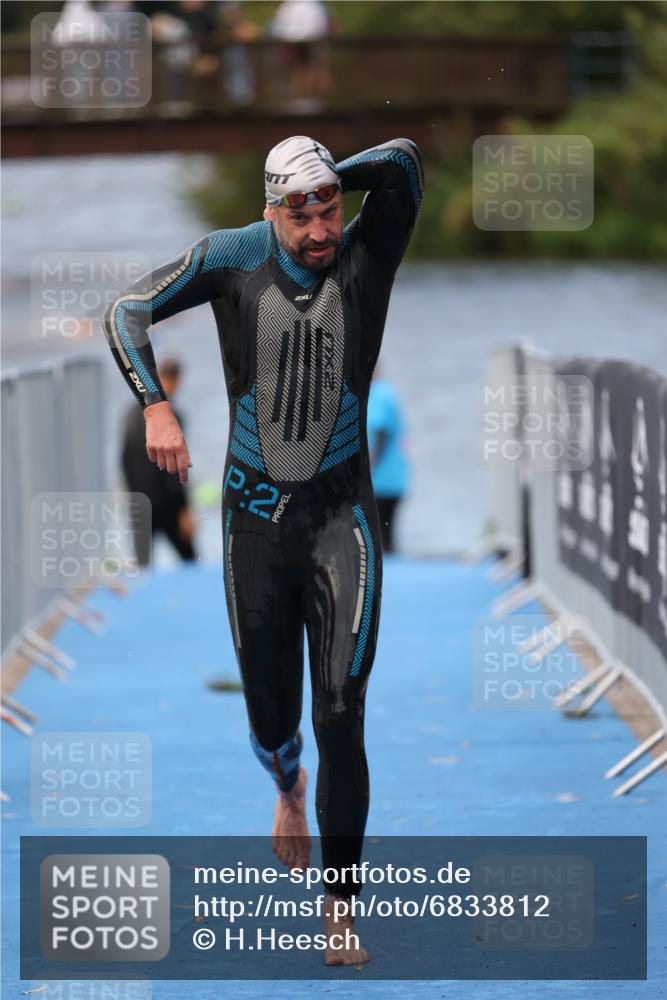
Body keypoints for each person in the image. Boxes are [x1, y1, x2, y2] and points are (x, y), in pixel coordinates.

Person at [103, 134, 424, 965]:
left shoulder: (368, 254)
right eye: (298, 214)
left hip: (342, 522)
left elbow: (402, 160)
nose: (318, 231)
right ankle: (287, 783)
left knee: (341, 713)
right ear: (268, 210)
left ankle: (340, 908)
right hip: (253, 528)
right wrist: (155, 406)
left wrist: (321, 174)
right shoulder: (233, 257)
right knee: (273, 721)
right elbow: (125, 311)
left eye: (328, 210)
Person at [121, 358, 197, 567]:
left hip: (141, 504)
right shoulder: (172, 419)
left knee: (143, 566)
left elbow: (124, 461)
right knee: (191, 562)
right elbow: (176, 468)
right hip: (167, 506)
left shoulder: (131, 414)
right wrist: (184, 509)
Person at [367, 368, 410, 553]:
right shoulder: (384, 392)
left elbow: (381, 431)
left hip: (383, 480)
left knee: (378, 536)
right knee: (385, 536)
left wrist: (369, 464)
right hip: (393, 477)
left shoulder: (379, 393)